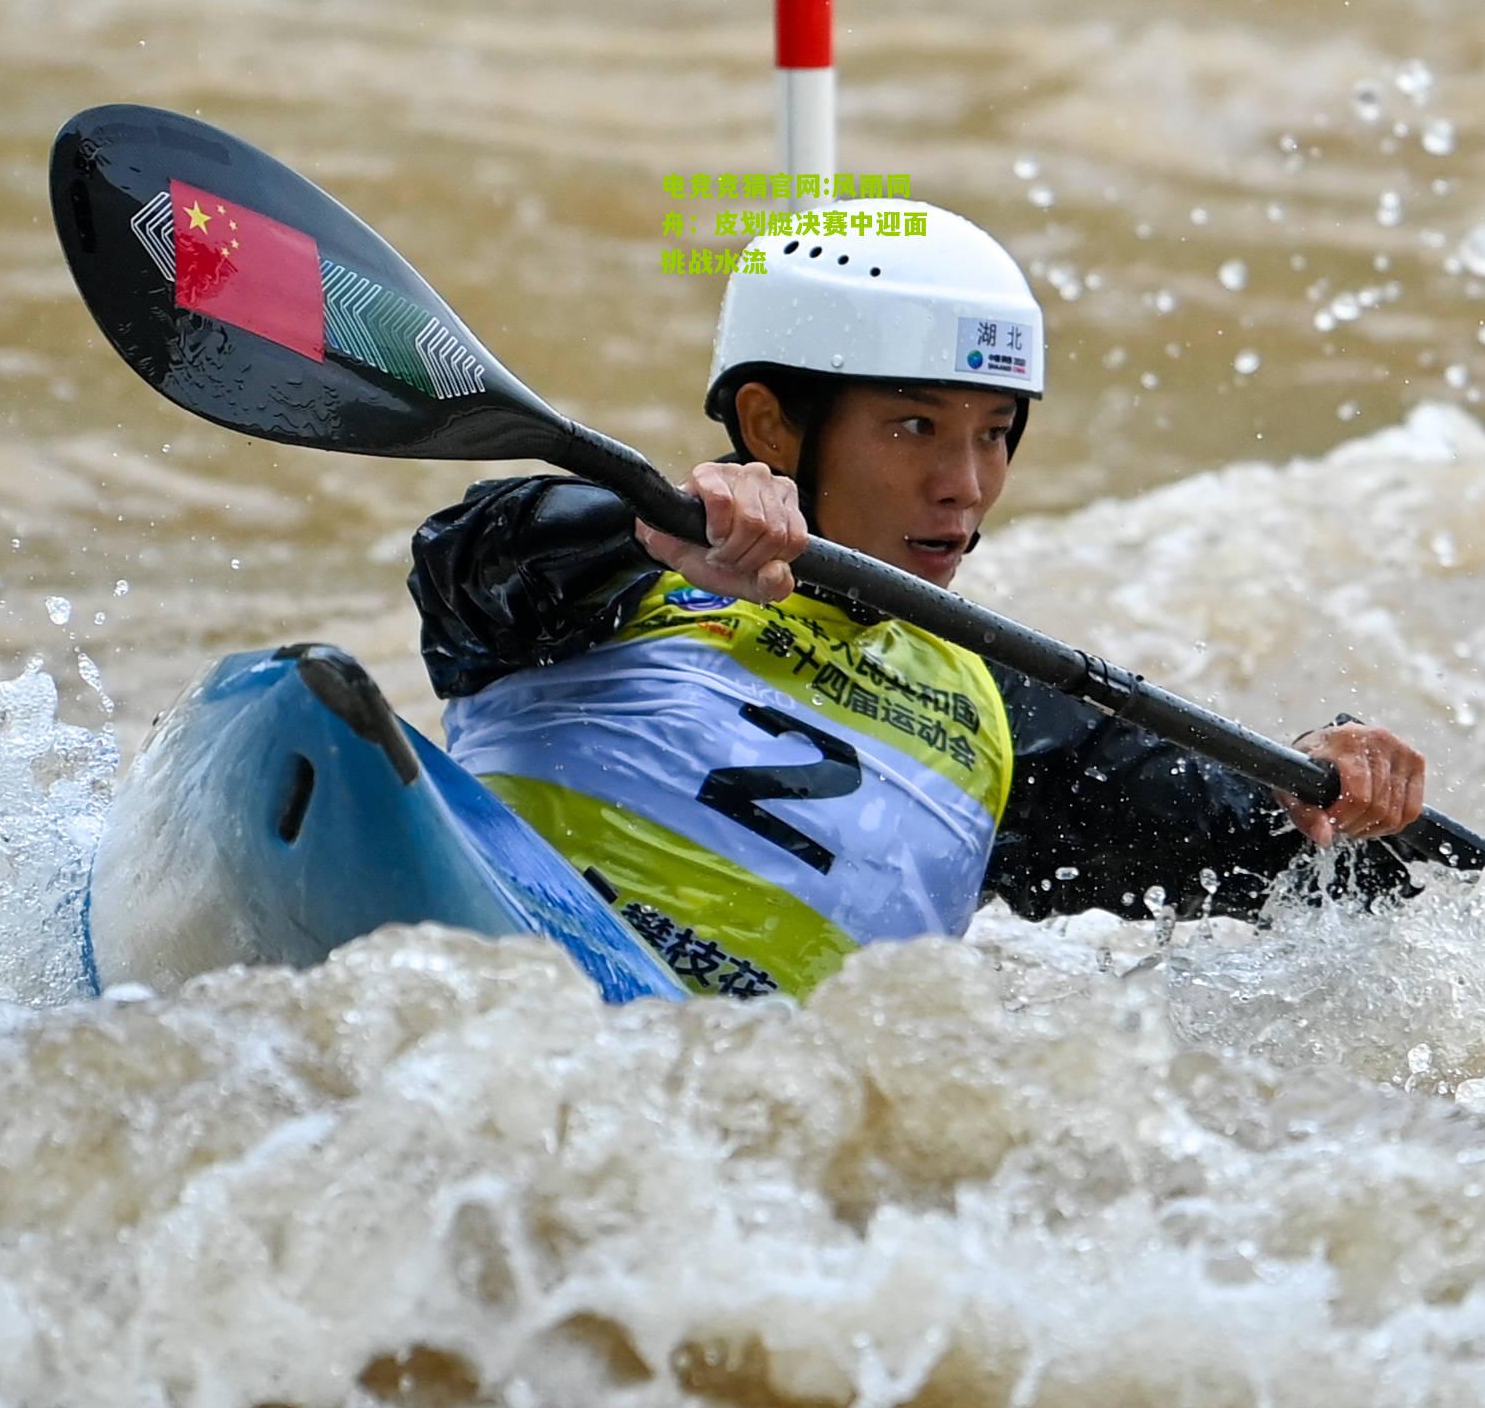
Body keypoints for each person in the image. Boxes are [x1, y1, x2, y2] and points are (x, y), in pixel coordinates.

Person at [411, 201, 1430, 1000]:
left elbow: (1284, 858)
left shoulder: (1004, 712)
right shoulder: (597, 576)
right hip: (516, 992)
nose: (965, 483)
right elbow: (466, 561)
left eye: (993, 432)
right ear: (767, 423)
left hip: (731, 1131)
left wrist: (1328, 779)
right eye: (912, 426)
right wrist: (649, 529)